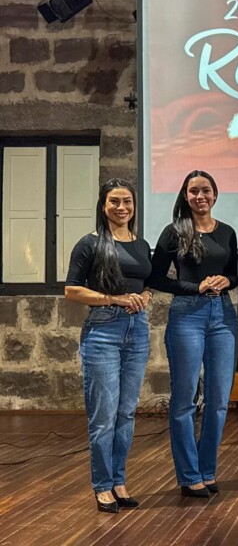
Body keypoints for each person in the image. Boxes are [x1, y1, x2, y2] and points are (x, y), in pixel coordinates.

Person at [149, 170, 238, 498]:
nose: (200, 196)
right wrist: (194, 286)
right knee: (185, 399)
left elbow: (236, 273)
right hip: (187, 314)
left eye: (206, 191)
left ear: (215, 195)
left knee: (218, 400)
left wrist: (227, 281)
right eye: (193, 191)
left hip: (223, 316)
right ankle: (189, 475)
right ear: (185, 196)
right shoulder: (174, 233)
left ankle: (207, 469)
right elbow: (156, 278)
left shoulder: (227, 232)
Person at [64, 178, 152, 514]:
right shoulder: (90, 244)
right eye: (114, 201)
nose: (121, 208)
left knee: (126, 413)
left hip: (137, 331)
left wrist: (144, 297)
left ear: (134, 206)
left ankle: (118, 481)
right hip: (102, 330)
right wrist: (114, 299)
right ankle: (102, 486)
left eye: (127, 201)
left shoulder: (141, 245)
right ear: (104, 205)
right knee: (103, 416)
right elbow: (72, 290)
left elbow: (146, 284)